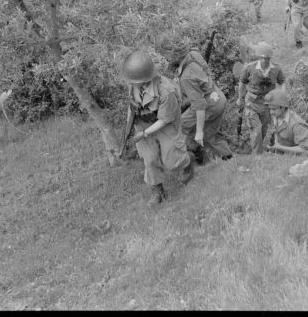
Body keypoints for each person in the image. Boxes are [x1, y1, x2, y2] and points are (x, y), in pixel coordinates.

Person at [121, 50, 194, 206]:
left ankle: (187, 162)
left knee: (172, 160)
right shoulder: (134, 84)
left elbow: (164, 120)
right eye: (131, 81)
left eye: (135, 81)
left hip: (165, 121)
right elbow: (132, 106)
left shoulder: (166, 91)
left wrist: (144, 133)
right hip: (143, 122)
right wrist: (130, 128)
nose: (132, 84)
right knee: (150, 158)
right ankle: (158, 191)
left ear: (146, 77)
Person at [159, 36, 233, 164]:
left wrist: (199, 132)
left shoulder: (186, 77)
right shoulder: (193, 54)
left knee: (180, 127)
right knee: (211, 134)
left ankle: (192, 159)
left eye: (166, 54)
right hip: (218, 97)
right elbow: (206, 72)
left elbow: (199, 106)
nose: (165, 58)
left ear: (175, 54)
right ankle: (229, 160)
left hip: (208, 106)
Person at [237, 42, 285, 154]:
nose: (265, 60)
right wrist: (240, 98)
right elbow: (242, 82)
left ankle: (258, 150)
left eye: (267, 58)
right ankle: (257, 156)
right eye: (263, 58)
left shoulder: (276, 69)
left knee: (263, 130)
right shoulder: (250, 68)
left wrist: (281, 98)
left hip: (267, 104)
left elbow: (282, 82)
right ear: (259, 57)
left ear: (270, 58)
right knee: (256, 129)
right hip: (252, 103)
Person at [263, 89, 308, 154]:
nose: (271, 112)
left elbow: (306, 150)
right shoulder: (276, 116)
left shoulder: (297, 124)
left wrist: (279, 147)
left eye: (273, 109)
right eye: (270, 109)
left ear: (282, 108)